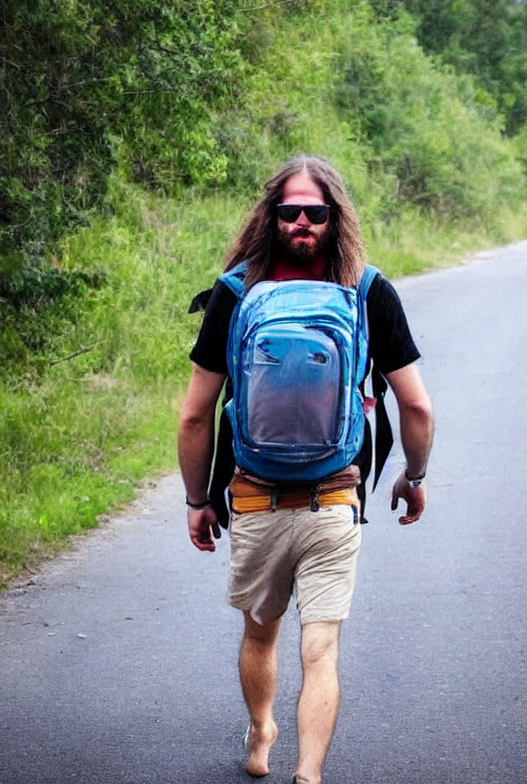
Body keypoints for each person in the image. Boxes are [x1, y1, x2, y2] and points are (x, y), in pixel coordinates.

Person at [177, 154, 434, 784]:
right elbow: (417, 406)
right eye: (290, 210)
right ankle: (310, 773)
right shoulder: (368, 290)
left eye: (311, 212)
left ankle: (262, 734)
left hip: (256, 500)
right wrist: (414, 476)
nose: (300, 221)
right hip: (335, 501)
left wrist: (197, 499)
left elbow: (195, 417)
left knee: (259, 636)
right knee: (321, 650)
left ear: (330, 216)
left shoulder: (235, 292)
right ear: (275, 215)